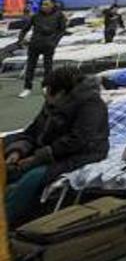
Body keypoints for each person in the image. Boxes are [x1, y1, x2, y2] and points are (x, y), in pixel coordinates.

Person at [4, 67, 109, 225]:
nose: (46, 95)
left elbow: (79, 140)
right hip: (52, 147)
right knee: (6, 157)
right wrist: (17, 151)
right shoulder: (54, 102)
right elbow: (33, 131)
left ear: (62, 92)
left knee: (32, 178)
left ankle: (7, 220)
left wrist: (36, 158)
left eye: (50, 91)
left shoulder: (91, 104)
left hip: (83, 153)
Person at [17, 0, 66, 98]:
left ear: (52, 5)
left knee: (48, 67)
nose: (44, 6)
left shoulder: (59, 15)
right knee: (30, 67)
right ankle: (27, 88)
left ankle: (46, 87)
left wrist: (54, 42)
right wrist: (20, 40)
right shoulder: (36, 16)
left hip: (48, 45)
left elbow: (62, 30)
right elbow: (25, 29)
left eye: (46, 4)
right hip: (34, 45)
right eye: (42, 4)